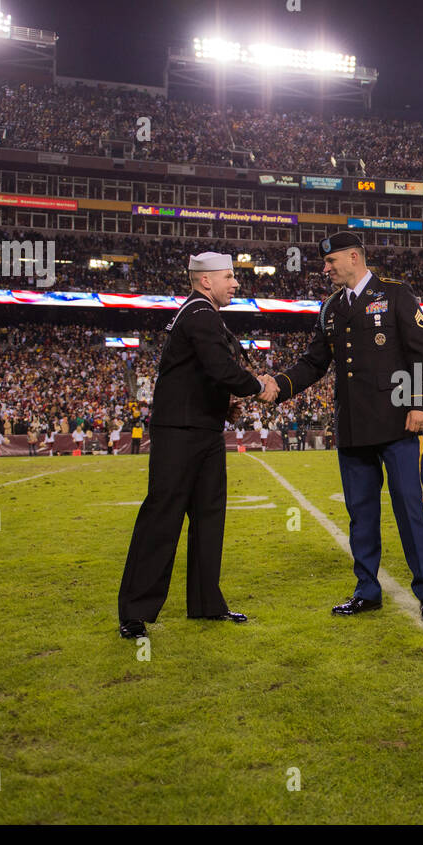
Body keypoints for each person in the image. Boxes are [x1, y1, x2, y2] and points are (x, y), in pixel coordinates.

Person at [263, 230, 423, 622]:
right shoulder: (330, 308)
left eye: (331, 262)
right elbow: (314, 363)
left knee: (409, 507)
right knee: (361, 514)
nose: (325, 269)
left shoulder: (396, 293)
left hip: (400, 424)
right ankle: (367, 589)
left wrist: (421, 404)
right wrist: (279, 385)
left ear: (353, 258)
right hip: (353, 428)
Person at [116, 251, 274, 639]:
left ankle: (206, 604)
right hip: (181, 434)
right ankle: (134, 613)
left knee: (208, 517)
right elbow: (220, 368)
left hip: (201, 431)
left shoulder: (201, 313)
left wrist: (226, 404)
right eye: (229, 277)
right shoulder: (200, 314)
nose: (236, 283)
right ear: (206, 281)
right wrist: (259, 387)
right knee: (163, 517)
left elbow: (202, 376)